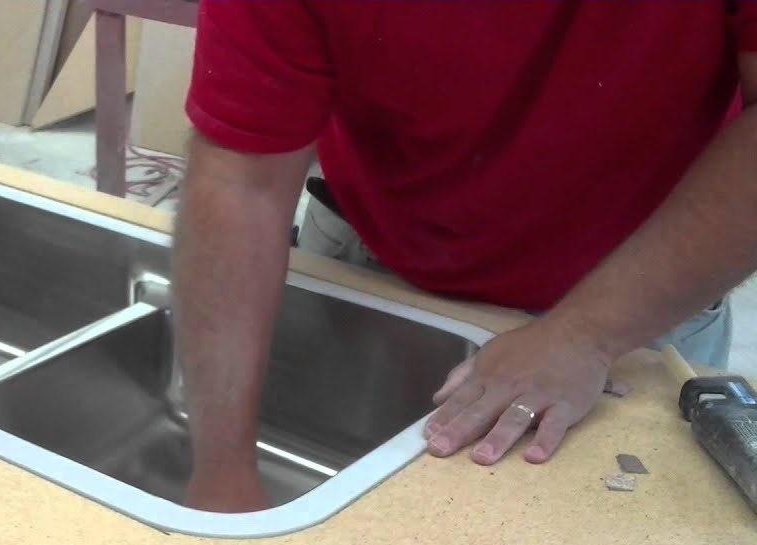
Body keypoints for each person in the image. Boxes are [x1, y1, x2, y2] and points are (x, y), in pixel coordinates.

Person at [173, 0, 757, 513]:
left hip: (644, 304)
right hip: (373, 253)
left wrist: (586, 334)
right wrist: (222, 474)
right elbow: (240, 183)